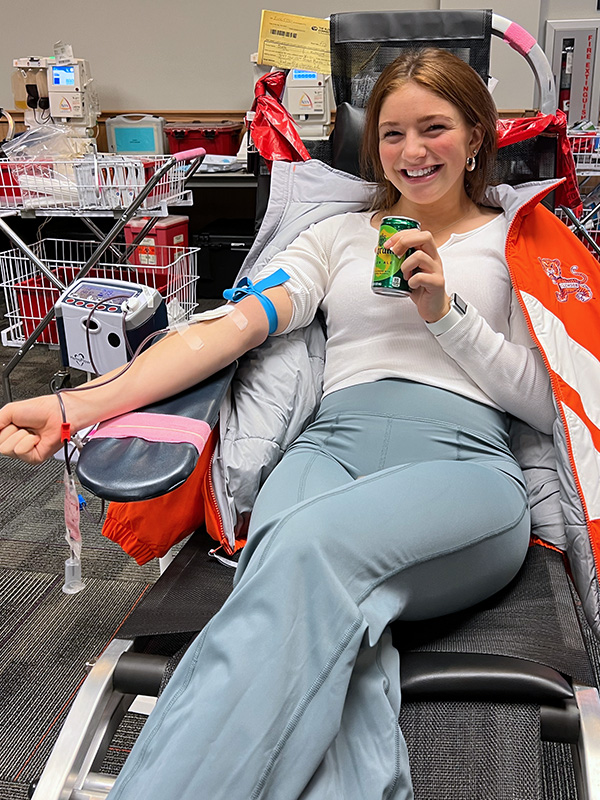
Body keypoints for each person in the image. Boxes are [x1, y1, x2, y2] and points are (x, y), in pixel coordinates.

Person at [0, 47, 575, 798]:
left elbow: (555, 403)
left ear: (476, 136)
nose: (412, 151)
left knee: (300, 552)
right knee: (337, 632)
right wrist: (77, 404)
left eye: (433, 127)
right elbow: (224, 331)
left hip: (463, 466)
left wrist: (447, 314)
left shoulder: (523, 242)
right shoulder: (336, 237)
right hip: (328, 450)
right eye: (392, 134)